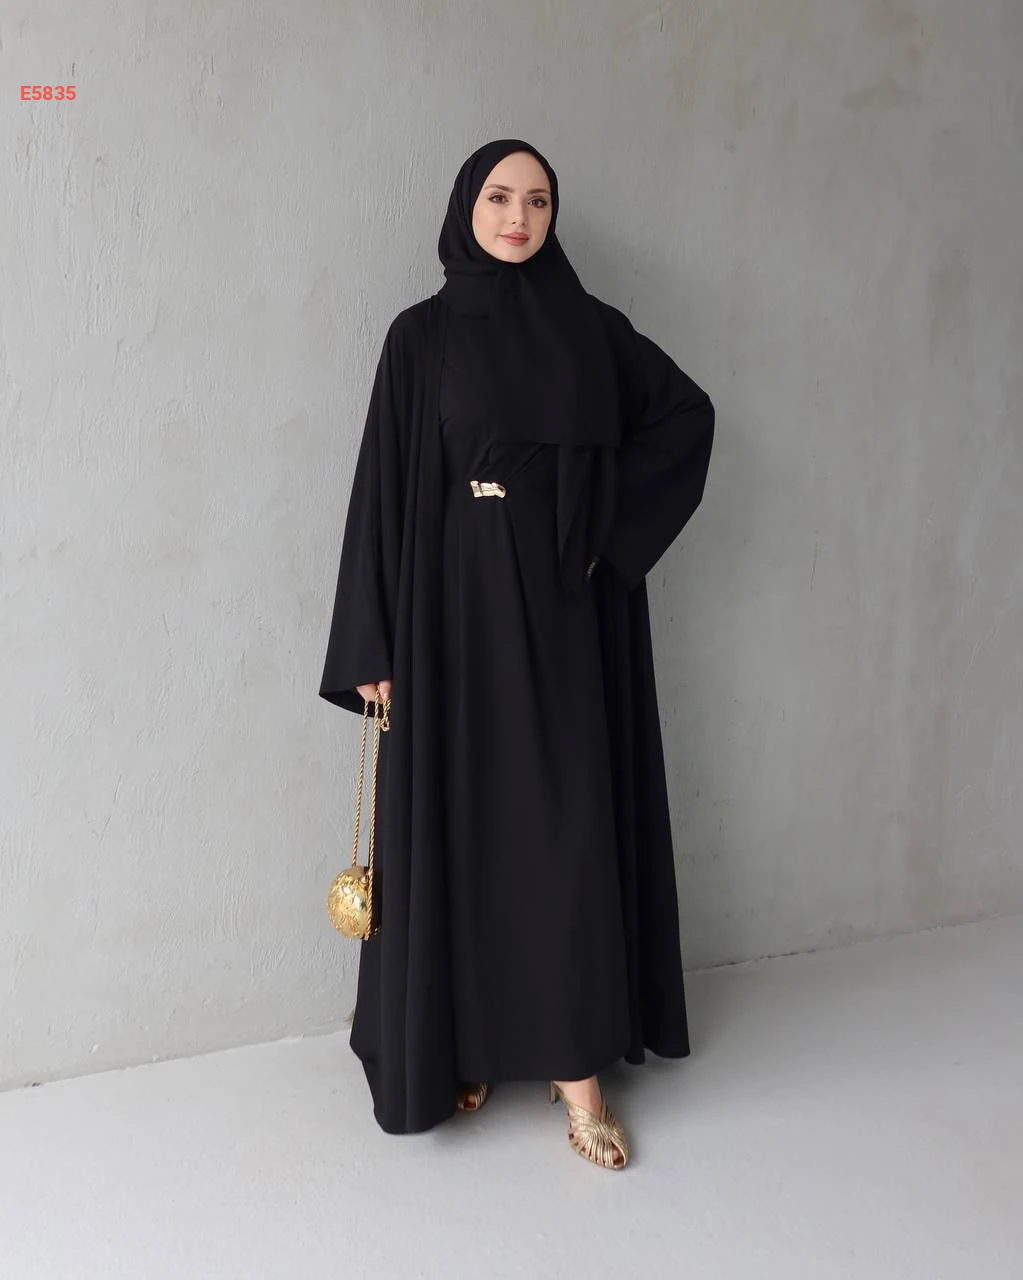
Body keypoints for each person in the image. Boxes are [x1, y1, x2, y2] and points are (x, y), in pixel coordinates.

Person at [319, 138, 715, 1170]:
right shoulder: (420, 337)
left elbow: (686, 417)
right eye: (500, 196)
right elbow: (380, 491)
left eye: (537, 200)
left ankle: (575, 1072)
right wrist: (373, 641)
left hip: (557, 618)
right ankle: (470, 1043)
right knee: (459, 827)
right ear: (468, 206)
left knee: (559, 830)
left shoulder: (589, 332)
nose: (518, 216)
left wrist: (604, 541)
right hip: (445, 616)